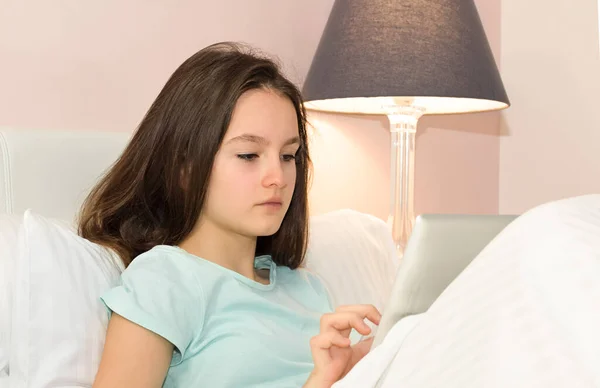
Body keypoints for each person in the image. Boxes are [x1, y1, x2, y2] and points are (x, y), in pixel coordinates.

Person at [78, 42, 381, 388]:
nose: (278, 179)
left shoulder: (310, 289)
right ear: (185, 169)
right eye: (249, 155)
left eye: (288, 156)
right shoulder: (165, 280)